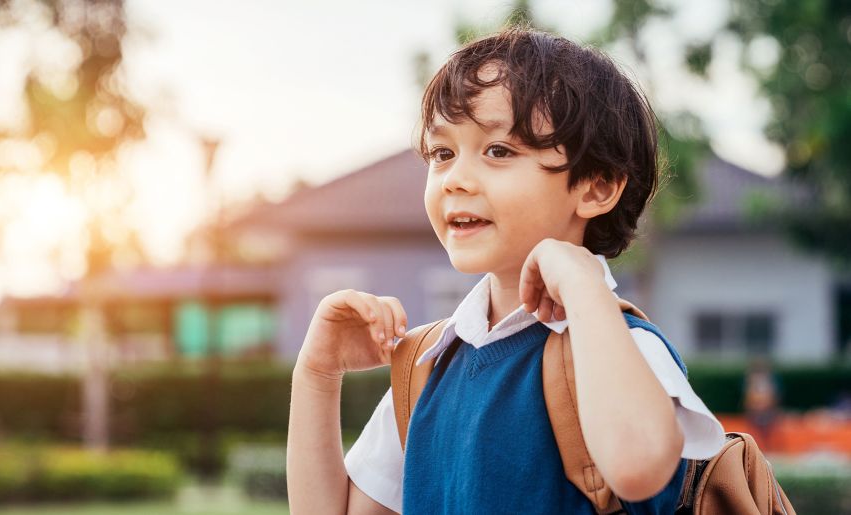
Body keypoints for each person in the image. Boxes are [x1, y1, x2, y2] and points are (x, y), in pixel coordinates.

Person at [287, 27, 726, 514]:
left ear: (596, 188)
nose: (455, 179)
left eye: (498, 151)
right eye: (442, 154)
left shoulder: (625, 347)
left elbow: (638, 468)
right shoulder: (426, 367)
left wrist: (582, 284)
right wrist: (317, 374)